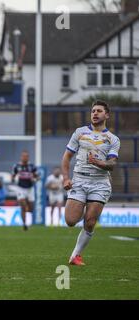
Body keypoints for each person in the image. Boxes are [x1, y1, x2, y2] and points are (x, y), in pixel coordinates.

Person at [62, 100, 120, 266]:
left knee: (90, 221)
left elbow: (112, 164)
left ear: (106, 115)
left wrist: (99, 163)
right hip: (79, 180)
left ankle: (75, 256)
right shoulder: (80, 133)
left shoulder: (113, 139)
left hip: (100, 183)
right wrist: (66, 178)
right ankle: (81, 205)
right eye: (93, 111)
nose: (95, 113)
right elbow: (66, 157)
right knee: (71, 221)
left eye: (99, 111)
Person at [12, 151, 39, 231]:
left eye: (26, 156)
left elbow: (37, 177)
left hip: (30, 188)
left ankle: (26, 211)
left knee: (31, 209)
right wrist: (14, 179)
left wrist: (34, 179)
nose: (25, 158)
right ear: (21, 157)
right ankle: (24, 224)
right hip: (20, 188)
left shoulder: (32, 166)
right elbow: (12, 177)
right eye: (23, 156)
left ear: (28, 157)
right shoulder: (16, 166)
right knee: (23, 206)